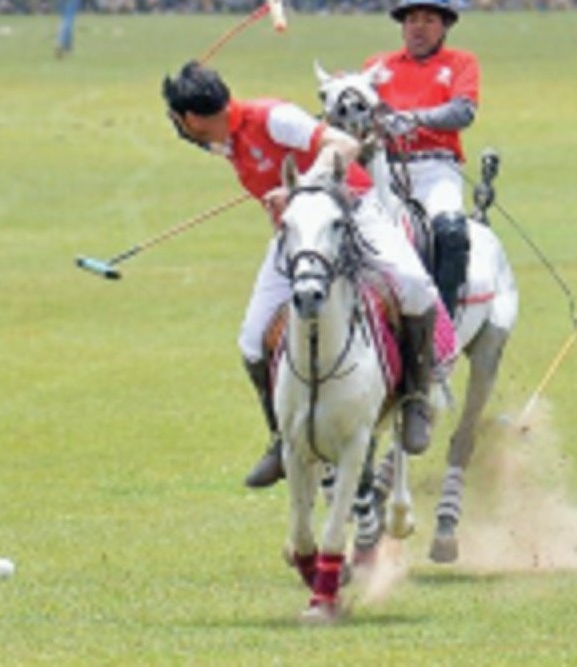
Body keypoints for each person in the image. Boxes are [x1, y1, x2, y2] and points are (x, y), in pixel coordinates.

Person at [161, 61, 442, 488]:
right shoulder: (228, 141)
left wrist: (300, 187)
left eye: (178, 121)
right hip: (299, 237)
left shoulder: (273, 117)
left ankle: (417, 398)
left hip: (353, 209)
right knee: (252, 339)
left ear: (193, 119)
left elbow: (343, 144)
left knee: (417, 287)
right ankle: (279, 436)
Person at [363, 0, 480, 320]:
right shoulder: (377, 65)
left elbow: (463, 111)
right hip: (383, 168)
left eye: (429, 19)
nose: (419, 27)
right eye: (412, 19)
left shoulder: (461, 63)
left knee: (452, 232)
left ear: (444, 26)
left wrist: (413, 119)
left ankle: (441, 323)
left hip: (435, 169)